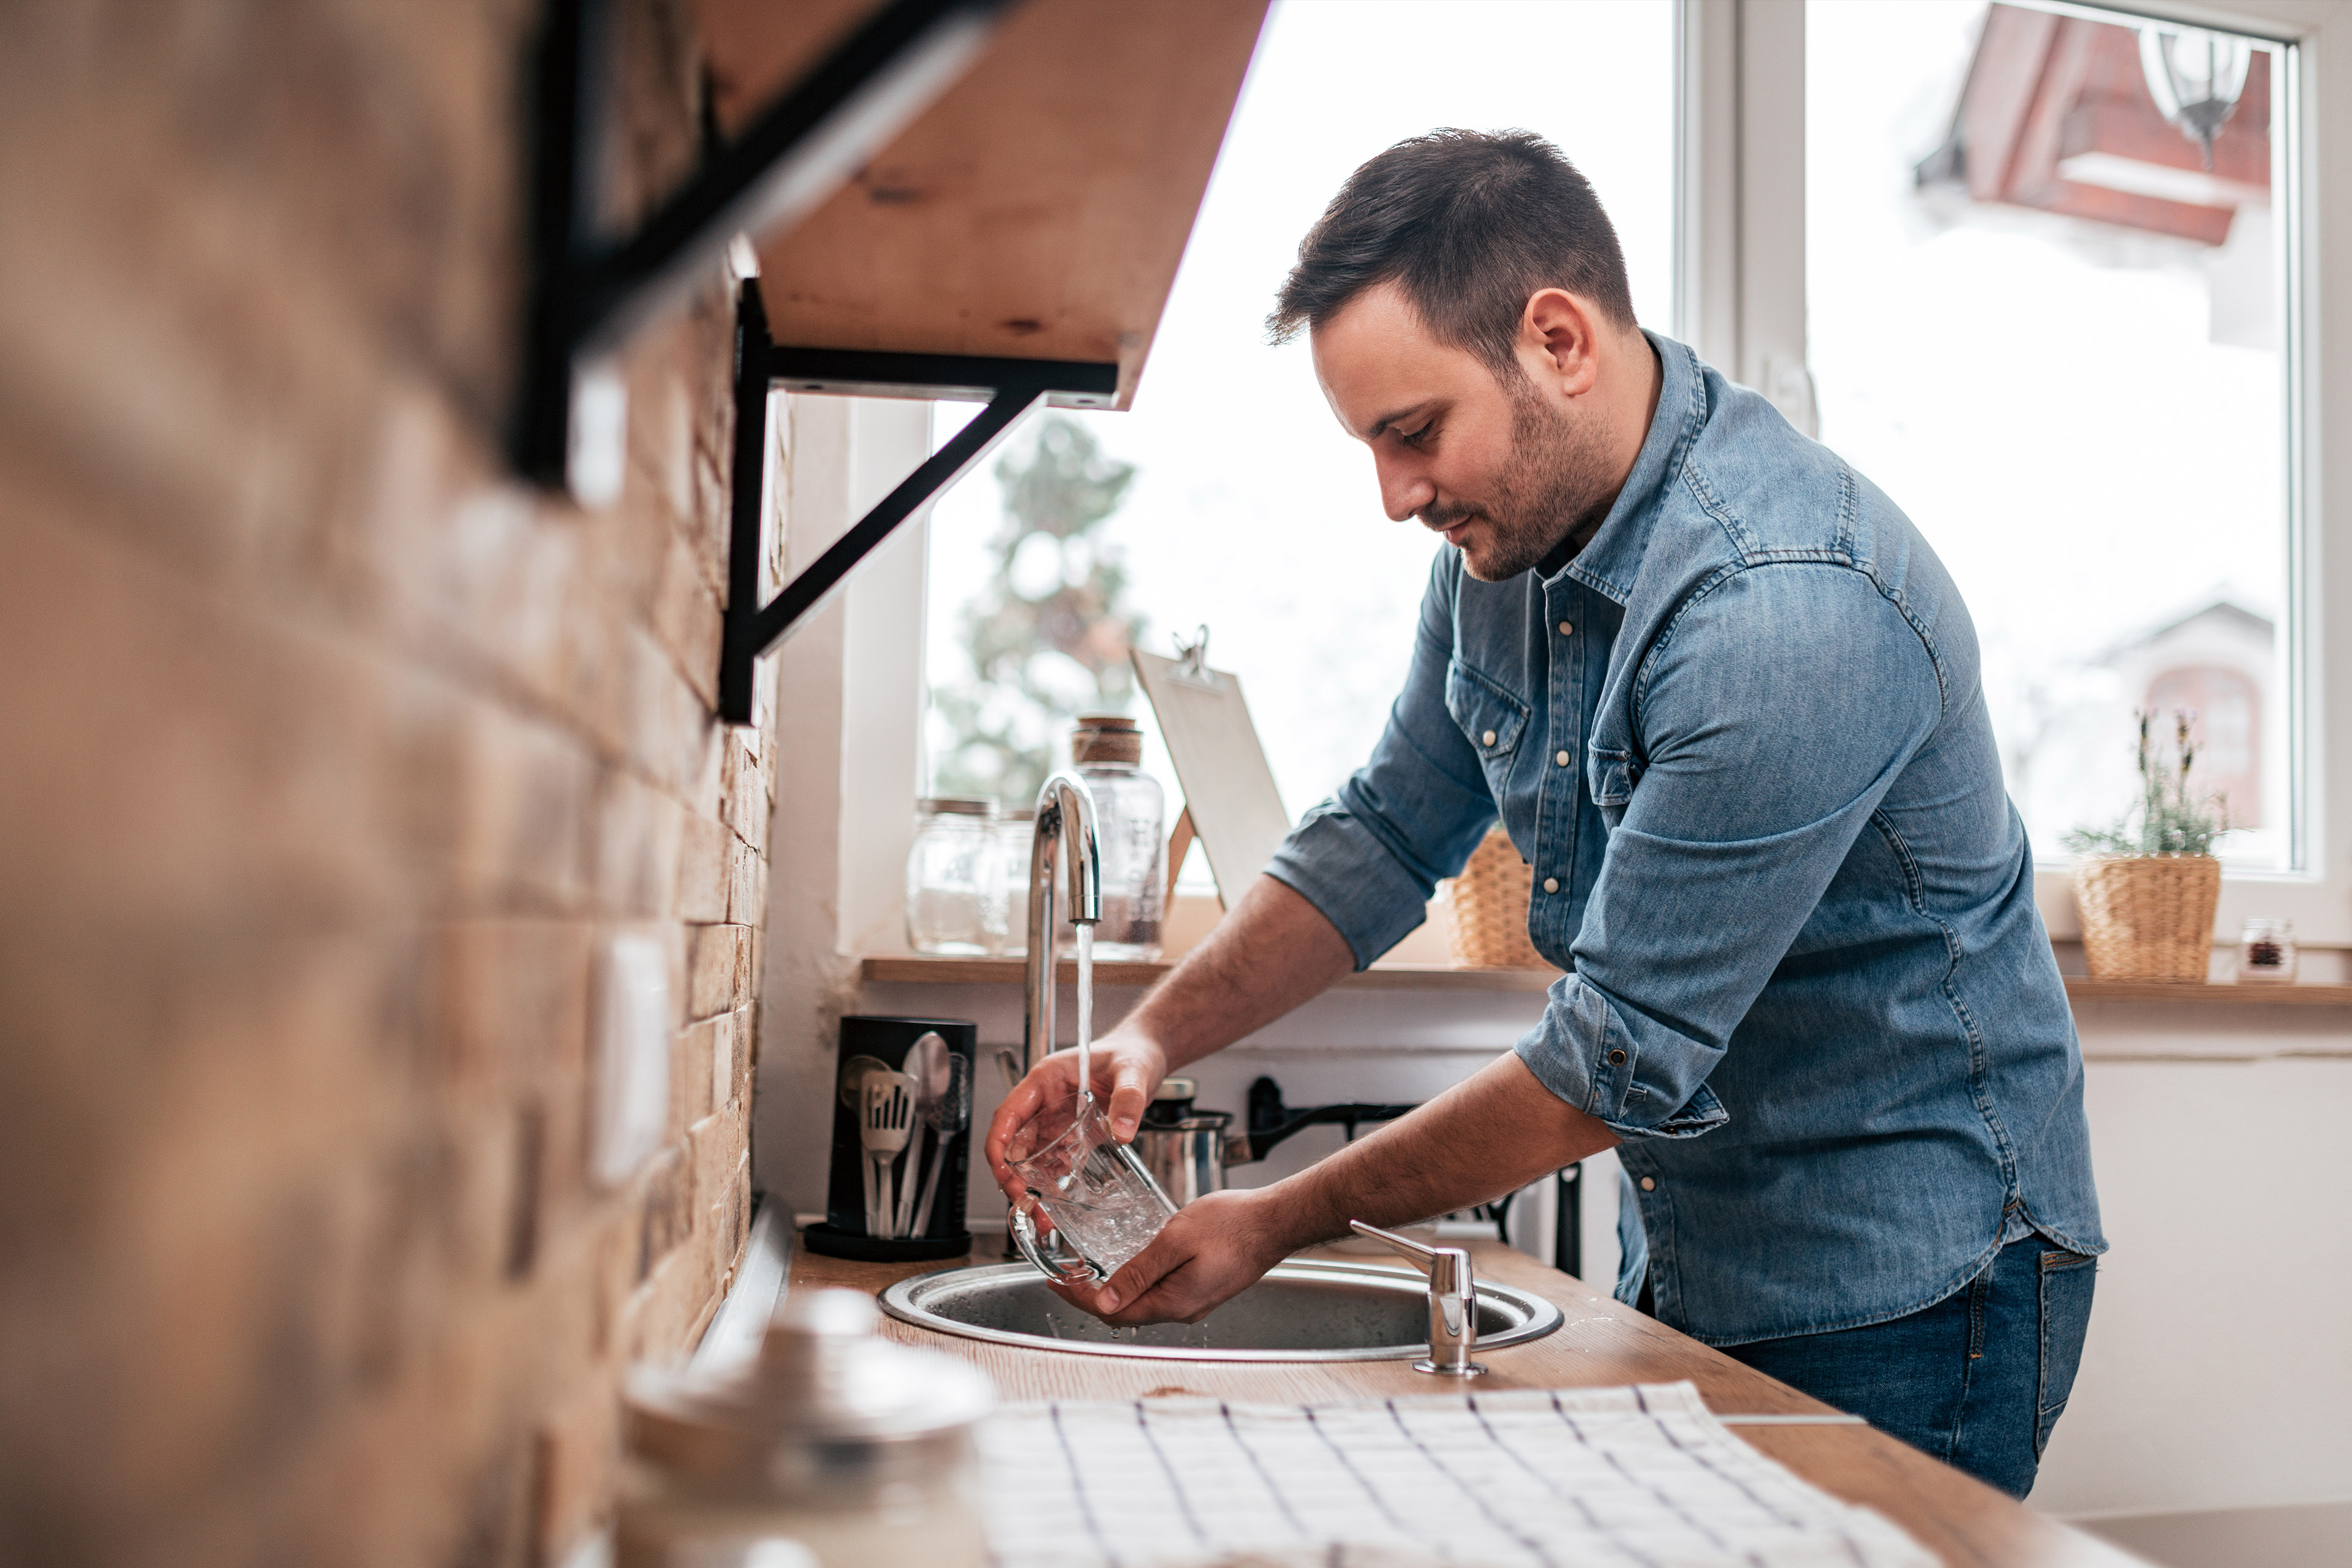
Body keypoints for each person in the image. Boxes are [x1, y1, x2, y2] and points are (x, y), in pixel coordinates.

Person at [986, 129, 2103, 1499]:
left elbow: (1605, 1065)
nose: (1396, 495)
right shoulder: (1509, 549)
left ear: (1559, 339)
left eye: (1412, 432)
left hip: (1911, 1283)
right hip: (1699, 1246)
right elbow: (1387, 834)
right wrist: (1146, 1036)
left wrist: (1279, 1218)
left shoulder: (1784, 608)